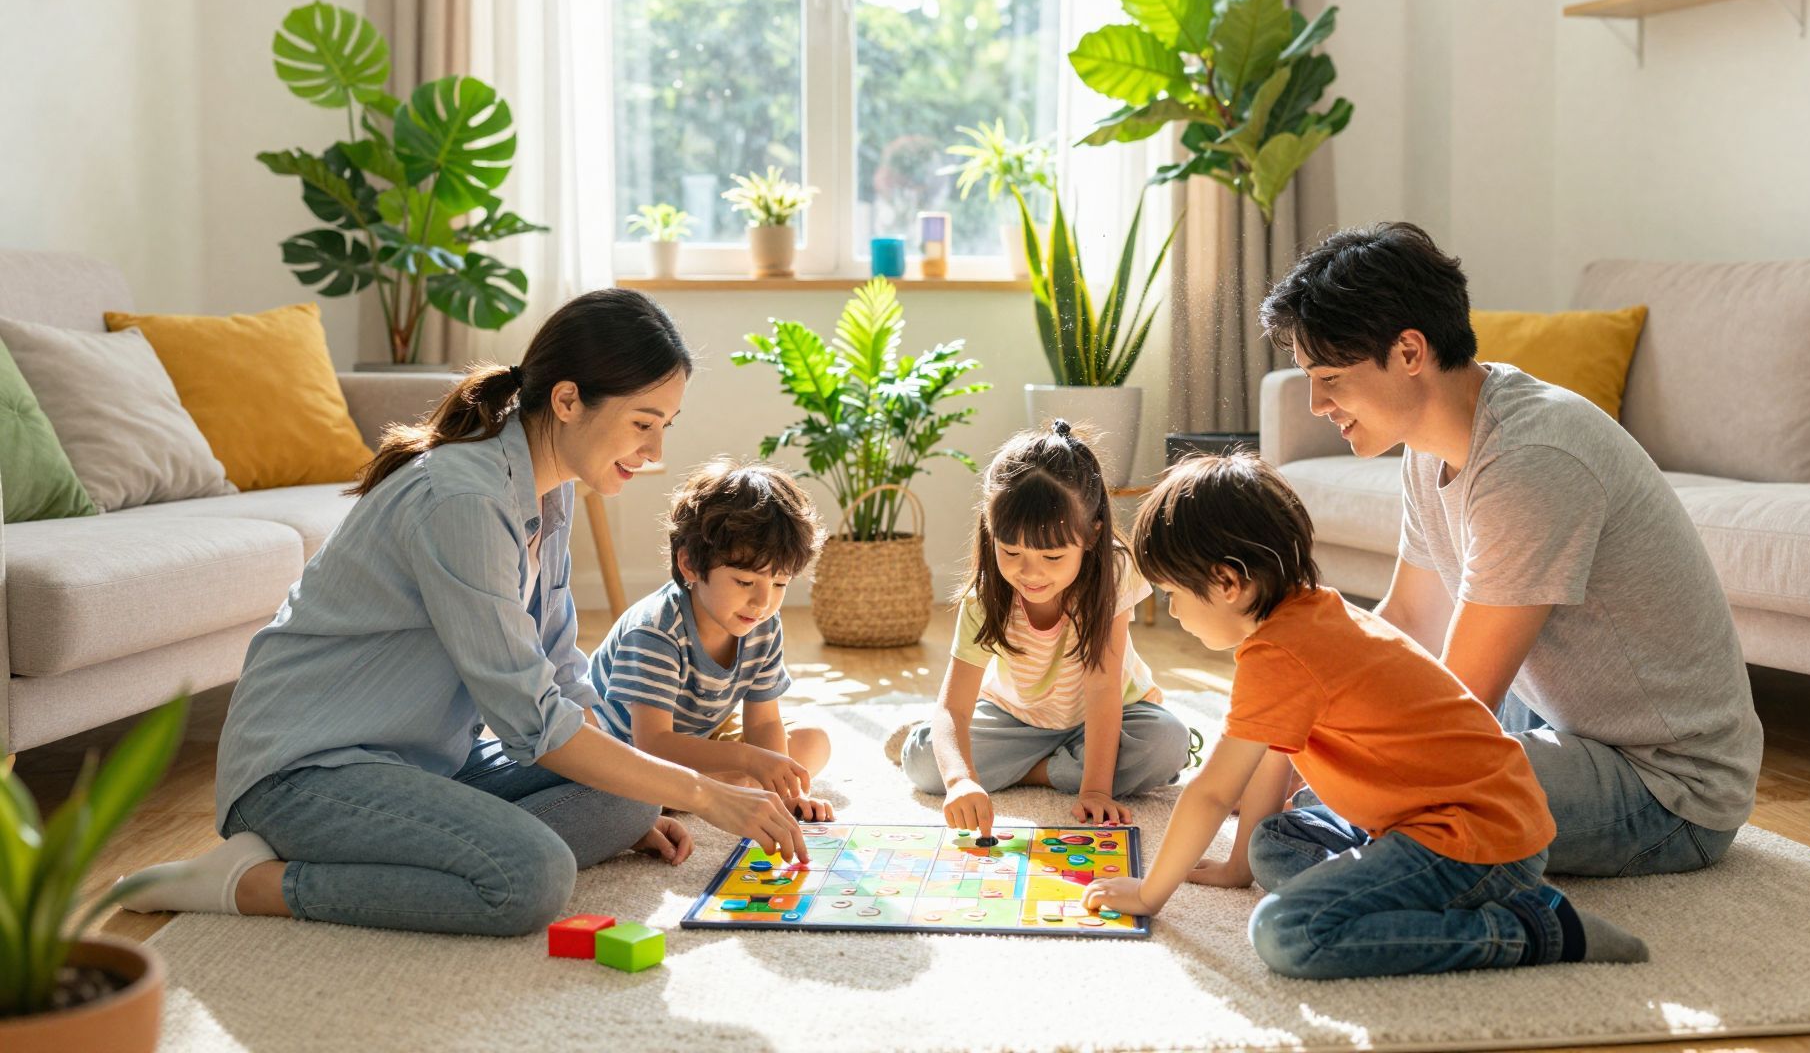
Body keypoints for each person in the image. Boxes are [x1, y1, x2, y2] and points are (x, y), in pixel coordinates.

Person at [121, 289, 806, 935]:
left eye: (665, 427)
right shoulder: (465, 501)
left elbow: (562, 668)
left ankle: (418, 837)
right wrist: (708, 792)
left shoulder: (550, 490)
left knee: (628, 795)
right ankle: (249, 881)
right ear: (568, 400)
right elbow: (533, 722)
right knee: (530, 878)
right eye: (643, 423)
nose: (656, 451)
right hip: (303, 773)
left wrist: (633, 805)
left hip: (421, 760)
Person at [1259, 222, 1763, 876]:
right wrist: (1294, 718)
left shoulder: (1530, 457)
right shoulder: (1430, 443)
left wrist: (1336, 761)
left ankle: (1529, 925)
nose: (1316, 403)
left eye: (1329, 377)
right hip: (1564, 722)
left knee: (1286, 850)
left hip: (1668, 788)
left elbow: (1461, 700)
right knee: (1305, 815)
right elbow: (1409, 622)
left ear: (1410, 353)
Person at [1083, 453, 1648, 978]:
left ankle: (1534, 929)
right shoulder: (1309, 614)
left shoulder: (1281, 653)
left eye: (1172, 594)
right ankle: (1439, 891)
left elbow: (1211, 792)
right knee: (1274, 843)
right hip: (1443, 819)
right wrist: (1236, 868)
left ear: (1229, 583)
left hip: (1477, 840)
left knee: (1285, 930)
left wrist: (1151, 893)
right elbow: (1270, 765)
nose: (1173, 611)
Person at [897, 420, 1190, 836]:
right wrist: (961, 781)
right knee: (927, 764)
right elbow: (954, 708)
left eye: (1052, 557)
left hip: (1110, 715)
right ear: (991, 530)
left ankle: (1031, 769)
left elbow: (1104, 689)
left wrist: (1095, 790)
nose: (1029, 573)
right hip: (1015, 719)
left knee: (1167, 743)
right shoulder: (984, 599)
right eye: (1011, 550)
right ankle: (1049, 766)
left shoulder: (1114, 572)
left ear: (1091, 535)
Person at [589, 459, 833, 821]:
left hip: (698, 738)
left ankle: (723, 787)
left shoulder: (761, 623)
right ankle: (713, 788)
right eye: (745, 582)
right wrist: (749, 760)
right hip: (629, 754)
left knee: (812, 741)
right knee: (642, 795)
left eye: (779, 583)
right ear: (689, 565)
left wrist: (782, 793)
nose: (763, 601)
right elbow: (653, 743)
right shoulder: (655, 630)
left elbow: (763, 724)